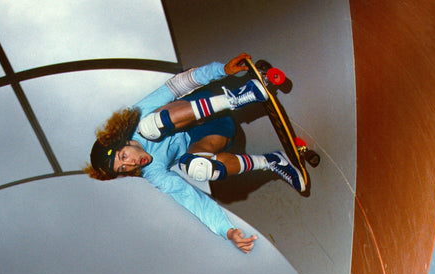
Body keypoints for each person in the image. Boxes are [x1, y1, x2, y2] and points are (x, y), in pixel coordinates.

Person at [87, 53, 305, 253]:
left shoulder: (138, 116)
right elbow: (191, 199)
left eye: (123, 156)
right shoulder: (153, 172)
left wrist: (222, 70)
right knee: (196, 168)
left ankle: (239, 96)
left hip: (204, 104)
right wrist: (227, 231)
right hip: (215, 133)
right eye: (124, 168)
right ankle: (272, 161)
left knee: (150, 126)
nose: (132, 163)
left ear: (124, 140)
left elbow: (177, 86)